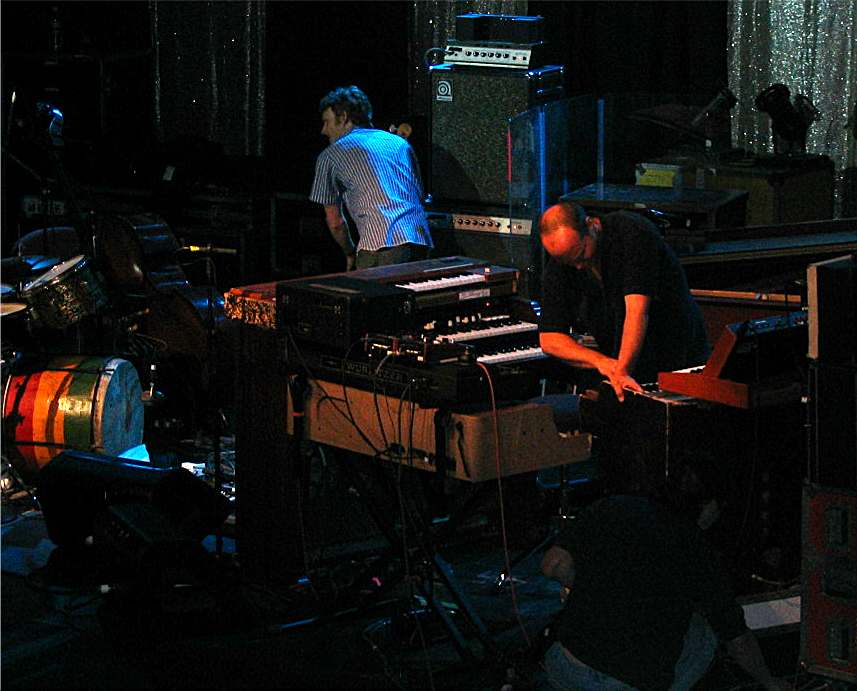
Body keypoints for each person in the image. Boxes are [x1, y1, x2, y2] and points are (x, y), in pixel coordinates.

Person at [539, 455, 793, 691]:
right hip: (627, 683)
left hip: (566, 667)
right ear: (708, 505)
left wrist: (590, 586)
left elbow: (553, 565)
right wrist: (771, 683)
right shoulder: (699, 551)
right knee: (705, 632)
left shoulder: (614, 506)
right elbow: (737, 640)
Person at [538, 202, 709, 405]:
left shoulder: (632, 233)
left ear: (592, 226)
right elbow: (549, 339)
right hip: (625, 364)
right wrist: (602, 362)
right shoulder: (566, 256)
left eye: (581, 254)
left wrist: (621, 371)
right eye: (568, 262)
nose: (577, 266)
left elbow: (637, 313)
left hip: (675, 357)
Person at [309, 85, 432, 270]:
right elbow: (419, 196)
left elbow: (335, 223)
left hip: (380, 248)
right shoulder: (399, 143)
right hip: (420, 241)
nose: (323, 130)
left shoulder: (330, 155)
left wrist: (350, 253)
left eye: (327, 122)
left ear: (343, 118)